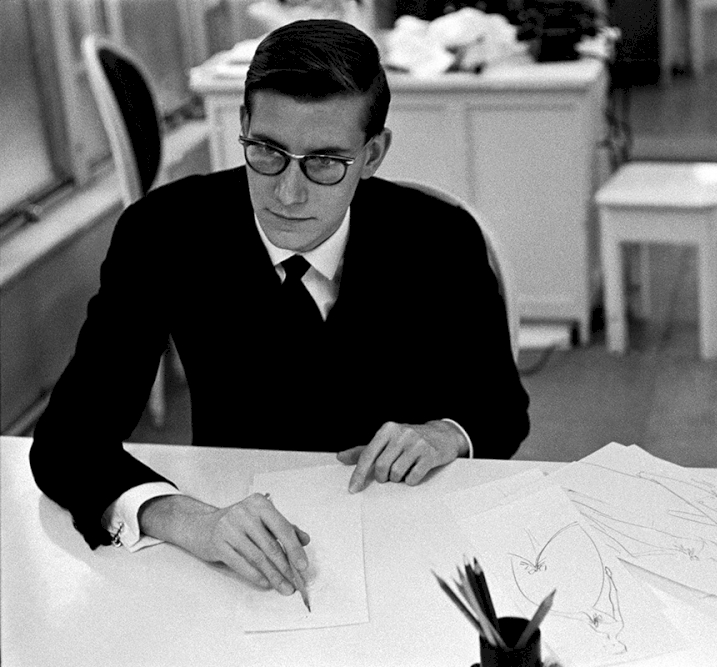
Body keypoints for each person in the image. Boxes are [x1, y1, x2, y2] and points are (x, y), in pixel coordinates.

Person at [30, 19, 529, 600]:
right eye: (266, 151)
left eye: (324, 162)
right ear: (242, 126)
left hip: (408, 544)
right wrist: (186, 518)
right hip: (232, 543)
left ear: (373, 155)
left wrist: (446, 432)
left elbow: (501, 409)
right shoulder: (163, 232)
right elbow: (67, 441)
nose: (288, 194)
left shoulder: (438, 236)